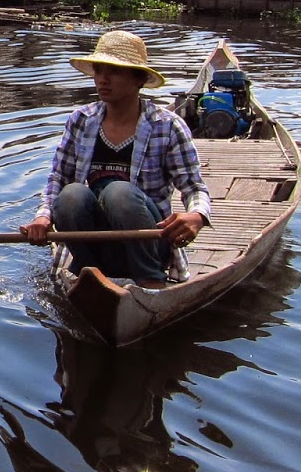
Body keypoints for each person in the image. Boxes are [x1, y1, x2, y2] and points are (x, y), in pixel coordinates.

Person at [22, 30, 209, 285]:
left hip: (149, 243)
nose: (103, 79)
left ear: (139, 79)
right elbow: (58, 179)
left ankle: (150, 281)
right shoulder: (81, 120)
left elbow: (193, 187)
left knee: (118, 192)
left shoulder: (167, 126)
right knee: (71, 195)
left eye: (115, 71)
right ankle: (90, 274)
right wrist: (43, 217)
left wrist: (196, 216)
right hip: (97, 243)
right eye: (99, 71)